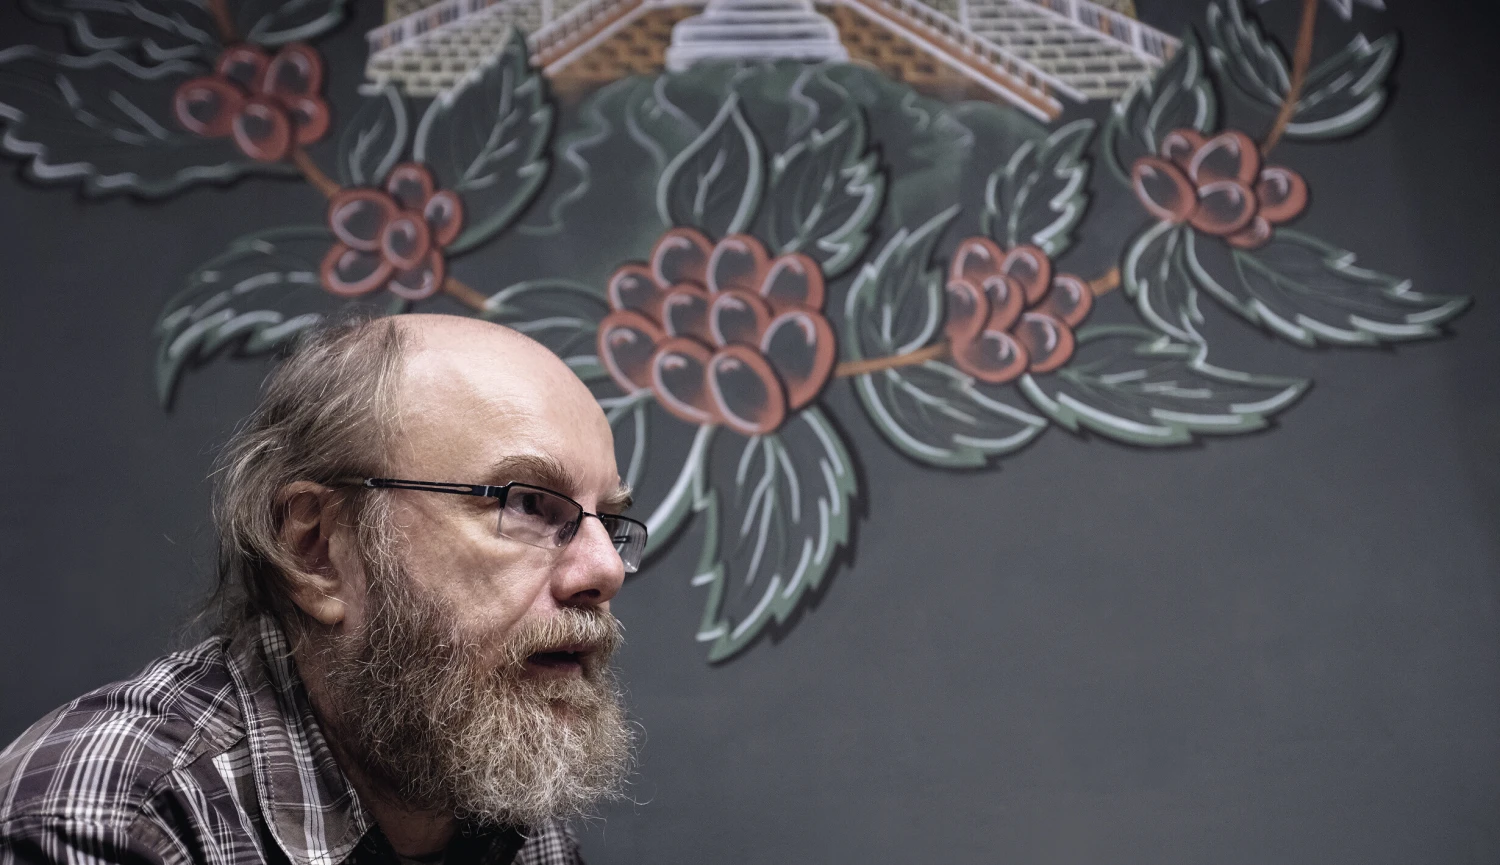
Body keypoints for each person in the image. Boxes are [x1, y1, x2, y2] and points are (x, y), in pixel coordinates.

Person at [0, 314, 644, 865]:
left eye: (609, 521)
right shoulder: (117, 819)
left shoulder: (493, 792)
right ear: (317, 550)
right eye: (527, 503)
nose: (605, 570)